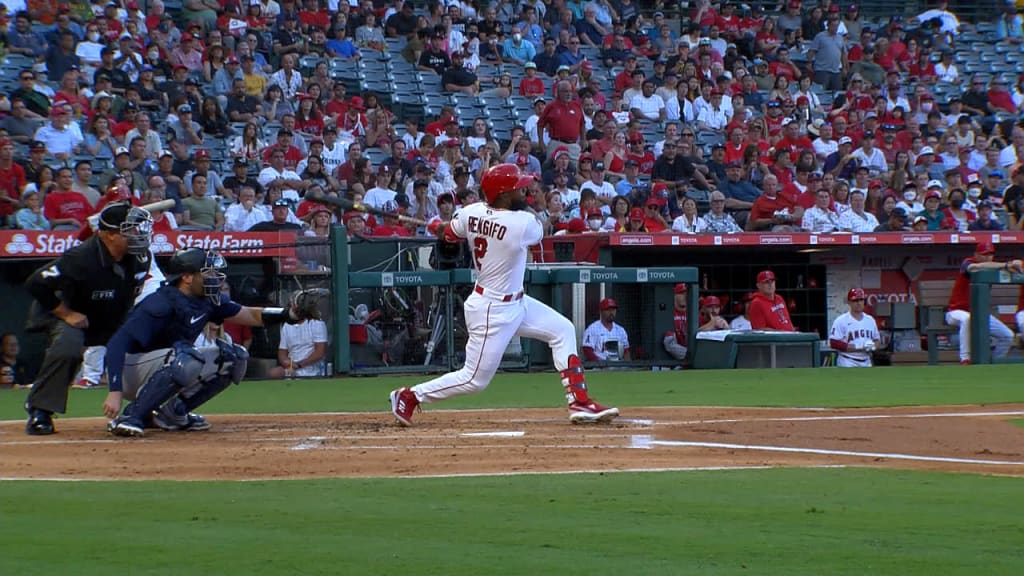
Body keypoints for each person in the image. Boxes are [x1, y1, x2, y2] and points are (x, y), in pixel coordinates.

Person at [389, 164, 619, 426]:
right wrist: (442, 228)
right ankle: (409, 396)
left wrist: (437, 226)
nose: (524, 191)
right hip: (493, 309)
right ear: (502, 195)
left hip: (515, 300)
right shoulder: (520, 223)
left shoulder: (470, 211)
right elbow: (537, 224)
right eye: (517, 189)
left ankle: (579, 402)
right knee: (474, 380)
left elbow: (450, 234)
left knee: (562, 330)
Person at [104, 249, 327, 437]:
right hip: (129, 369)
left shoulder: (207, 300)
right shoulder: (160, 303)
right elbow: (116, 344)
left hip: (165, 364)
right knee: (187, 357)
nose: (217, 278)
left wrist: (290, 314)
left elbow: (250, 315)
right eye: (208, 272)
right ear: (187, 277)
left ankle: (173, 414)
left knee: (234, 357)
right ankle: (132, 415)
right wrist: (114, 391)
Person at [22, 203, 155, 435]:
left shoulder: (141, 257)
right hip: (72, 314)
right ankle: (40, 410)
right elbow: (36, 283)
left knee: (150, 341)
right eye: (130, 230)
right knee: (68, 345)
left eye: (137, 228)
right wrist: (66, 313)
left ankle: (148, 407)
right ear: (108, 235)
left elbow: (130, 296)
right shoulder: (80, 257)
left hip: (109, 316)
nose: (138, 234)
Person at [945, 242, 1020, 365]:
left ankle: (995, 362)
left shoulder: (994, 268)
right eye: (984, 254)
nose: (987, 257)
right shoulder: (968, 262)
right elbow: (973, 268)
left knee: (1008, 336)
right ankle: (965, 358)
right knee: (967, 319)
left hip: (979, 313)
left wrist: (1016, 265)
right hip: (956, 312)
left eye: (990, 254)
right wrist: (1005, 265)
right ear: (976, 254)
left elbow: (1012, 272)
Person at [828, 288, 881, 367]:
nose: (858, 303)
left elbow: (877, 340)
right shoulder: (841, 320)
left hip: (866, 360)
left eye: (861, 300)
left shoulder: (870, 320)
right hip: (847, 361)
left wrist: (873, 346)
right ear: (849, 302)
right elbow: (833, 343)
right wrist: (858, 346)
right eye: (855, 300)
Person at [269, 312, 329, 379]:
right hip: (292, 370)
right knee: (274, 372)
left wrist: (299, 365)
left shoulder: (317, 322)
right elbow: (282, 354)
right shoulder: (286, 325)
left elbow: (320, 352)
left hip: (313, 372)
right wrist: (289, 364)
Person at [663, 283, 689, 361]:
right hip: (671, 356)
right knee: (669, 339)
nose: (685, 296)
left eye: (687, 294)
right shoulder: (668, 313)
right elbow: (669, 342)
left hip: (688, 347)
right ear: (674, 295)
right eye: (681, 293)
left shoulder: (693, 313)